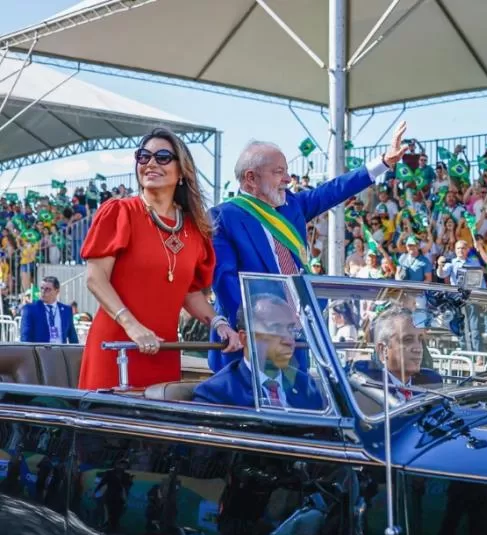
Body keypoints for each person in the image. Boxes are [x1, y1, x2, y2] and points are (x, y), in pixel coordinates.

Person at [209, 122, 409, 371]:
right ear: (251, 178)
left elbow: (334, 190)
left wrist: (384, 162)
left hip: (293, 336)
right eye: (278, 172)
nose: (287, 179)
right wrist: (254, 329)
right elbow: (225, 282)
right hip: (250, 342)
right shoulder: (222, 217)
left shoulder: (291, 206)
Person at [79, 128, 240, 390]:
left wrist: (219, 323)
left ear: (182, 171)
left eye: (162, 157)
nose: (151, 163)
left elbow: (190, 292)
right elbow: (95, 279)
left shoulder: (195, 229)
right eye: (144, 156)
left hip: (164, 349)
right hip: (117, 348)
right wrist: (132, 327)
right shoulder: (120, 212)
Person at [194, 294, 325, 409]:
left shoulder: (305, 385)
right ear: (245, 339)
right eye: (275, 329)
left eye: (291, 330)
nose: (289, 341)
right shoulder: (216, 394)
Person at [20, 276, 78, 344]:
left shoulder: (66, 311)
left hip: (60, 349)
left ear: (57, 291)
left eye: (47, 289)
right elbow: (25, 338)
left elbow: (73, 338)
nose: (43, 292)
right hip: (40, 349)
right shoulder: (30, 309)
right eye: (42, 288)